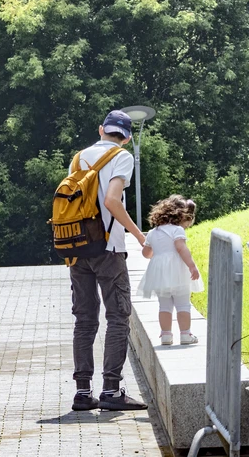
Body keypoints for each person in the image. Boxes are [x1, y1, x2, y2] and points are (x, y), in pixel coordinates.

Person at [69, 110, 149, 412]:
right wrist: (140, 237)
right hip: (108, 249)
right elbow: (112, 200)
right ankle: (112, 391)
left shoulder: (78, 158)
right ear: (126, 137)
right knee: (118, 317)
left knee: (85, 319)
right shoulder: (122, 157)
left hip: (76, 248)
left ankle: (82, 392)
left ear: (101, 129)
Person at [137, 195, 203, 346]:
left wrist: (158, 252)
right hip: (178, 271)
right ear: (181, 216)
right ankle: (185, 334)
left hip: (160, 274)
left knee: (164, 305)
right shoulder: (177, 230)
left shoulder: (153, 232)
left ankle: (166, 335)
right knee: (183, 304)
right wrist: (191, 265)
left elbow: (146, 254)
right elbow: (181, 248)